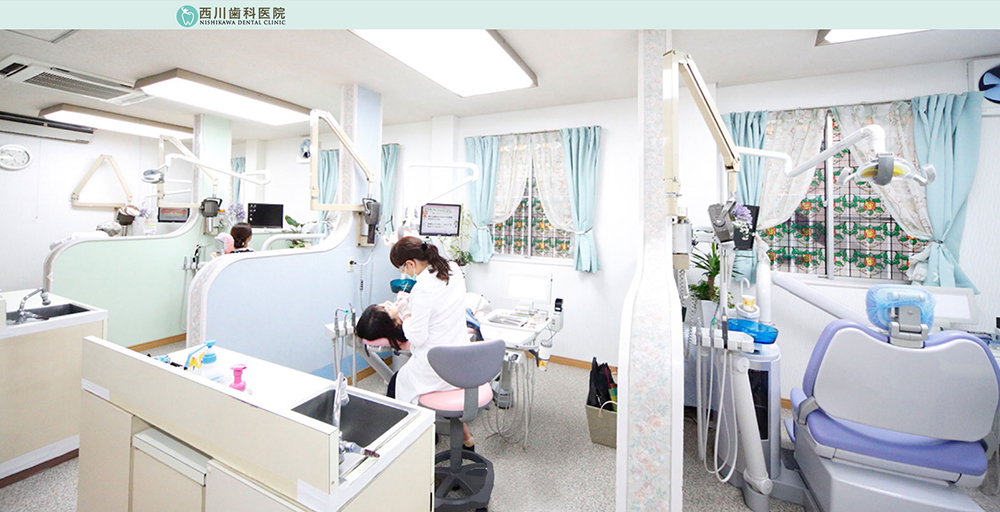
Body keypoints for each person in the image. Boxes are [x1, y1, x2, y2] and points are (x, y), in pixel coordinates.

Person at [355, 236, 476, 450]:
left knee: (398, 385)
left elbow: (417, 337)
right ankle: (461, 434)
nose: (405, 272)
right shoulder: (454, 269)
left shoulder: (422, 289)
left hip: (437, 366)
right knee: (404, 380)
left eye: (403, 268)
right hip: (462, 358)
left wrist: (405, 311)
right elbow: (440, 307)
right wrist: (410, 305)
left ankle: (412, 438)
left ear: (410, 263)